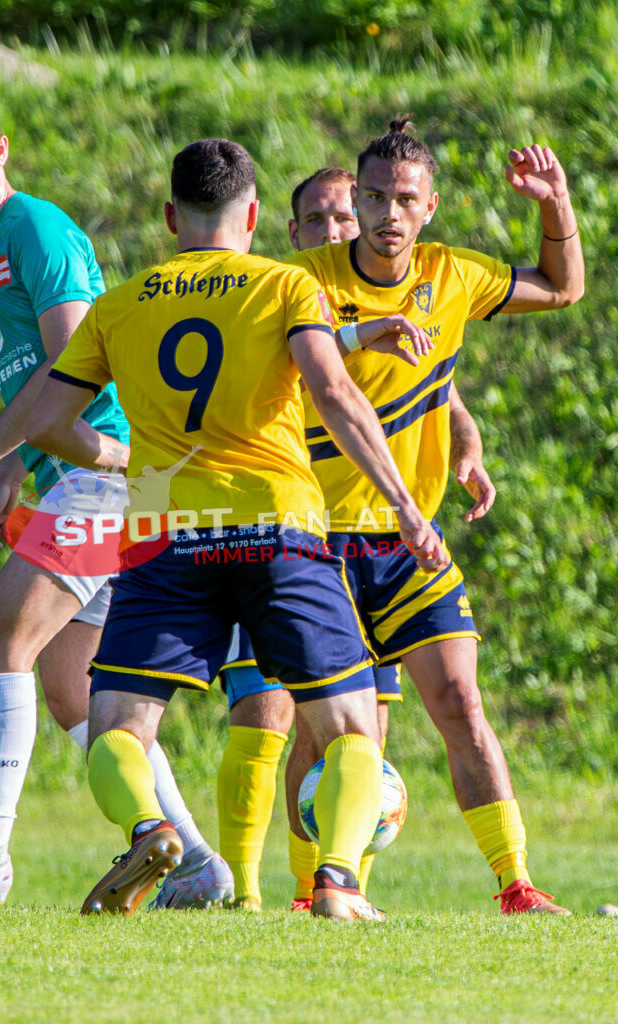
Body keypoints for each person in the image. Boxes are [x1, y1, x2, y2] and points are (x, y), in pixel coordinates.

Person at [25, 137, 449, 921]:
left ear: (169, 217)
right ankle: (338, 885)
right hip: (277, 525)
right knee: (352, 725)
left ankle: (149, 827)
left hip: (164, 534)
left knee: (119, 724)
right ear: (254, 215)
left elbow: (49, 422)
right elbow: (332, 392)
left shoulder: (122, 304)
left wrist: (116, 453)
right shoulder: (286, 284)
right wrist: (407, 507)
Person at [0, 81, 231, 908]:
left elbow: (73, 365)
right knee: (76, 688)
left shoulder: (33, 228)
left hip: (111, 478)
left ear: (2, 147)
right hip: (90, 473)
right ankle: (194, 865)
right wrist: (16, 465)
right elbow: (40, 390)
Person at [285, 119, 583, 915]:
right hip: (315, 540)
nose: (386, 213)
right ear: (356, 196)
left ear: (430, 208)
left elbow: (562, 289)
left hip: (409, 544)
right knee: (330, 732)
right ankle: (312, 889)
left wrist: (556, 207)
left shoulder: (454, 277)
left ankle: (516, 883)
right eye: (373, 197)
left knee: (459, 702)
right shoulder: (303, 282)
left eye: (403, 200)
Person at [215, 165, 496, 912]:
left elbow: (444, 388)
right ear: (293, 233)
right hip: (290, 530)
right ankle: (245, 892)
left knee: (363, 723)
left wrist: (464, 441)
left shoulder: (384, 295)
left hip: (385, 543)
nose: (340, 231)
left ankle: (341, 890)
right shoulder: (282, 293)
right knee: (265, 709)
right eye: (322, 220)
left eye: (348, 217)